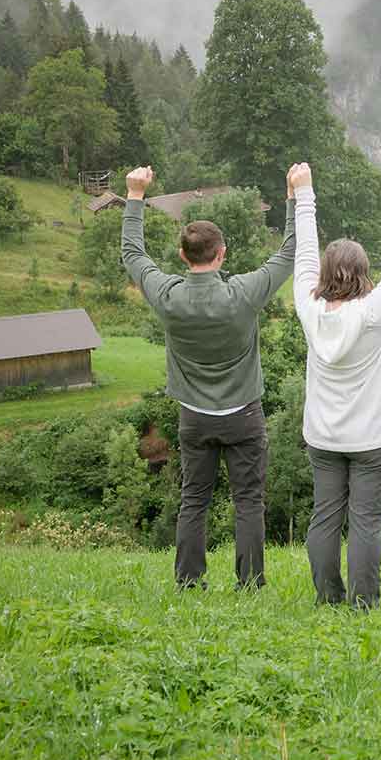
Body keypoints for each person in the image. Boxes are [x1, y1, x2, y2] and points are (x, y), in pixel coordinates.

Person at [120, 163, 296, 590]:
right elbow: (290, 253)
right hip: (244, 416)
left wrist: (135, 195)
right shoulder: (242, 295)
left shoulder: (168, 297)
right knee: (248, 502)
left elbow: (133, 255)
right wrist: (292, 197)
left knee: (193, 500)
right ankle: (250, 584)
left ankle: (189, 582)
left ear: (183, 255)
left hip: (194, 418)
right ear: (222, 255)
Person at [291, 162, 381, 608]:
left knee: (324, 520)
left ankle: (327, 599)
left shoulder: (307, 306)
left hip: (324, 435)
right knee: (366, 522)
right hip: (374, 438)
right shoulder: (373, 312)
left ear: (324, 273)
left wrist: (304, 193)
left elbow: (303, 253)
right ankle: (364, 604)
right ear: (362, 272)